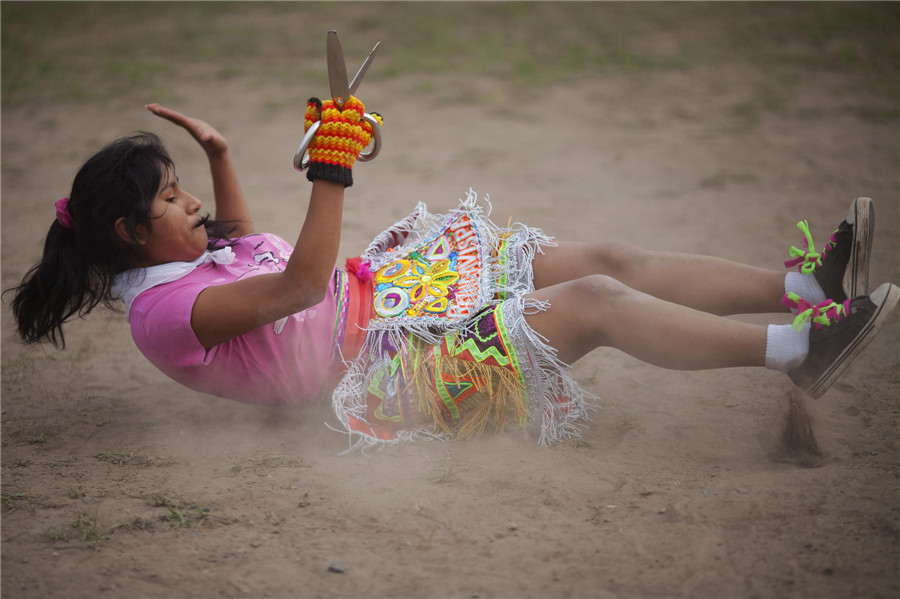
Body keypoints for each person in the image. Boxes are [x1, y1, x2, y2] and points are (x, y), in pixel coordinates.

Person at [9, 97, 899, 452]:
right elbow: (293, 283)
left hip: (394, 297)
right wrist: (333, 168)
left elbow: (241, 237)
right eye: (171, 197)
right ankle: (799, 352)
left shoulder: (190, 261)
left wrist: (223, 151)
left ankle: (807, 290)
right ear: (129, 234)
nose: (191, 202)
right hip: (388, 369)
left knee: (608, 258)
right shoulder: (161, 316)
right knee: (593, 304)